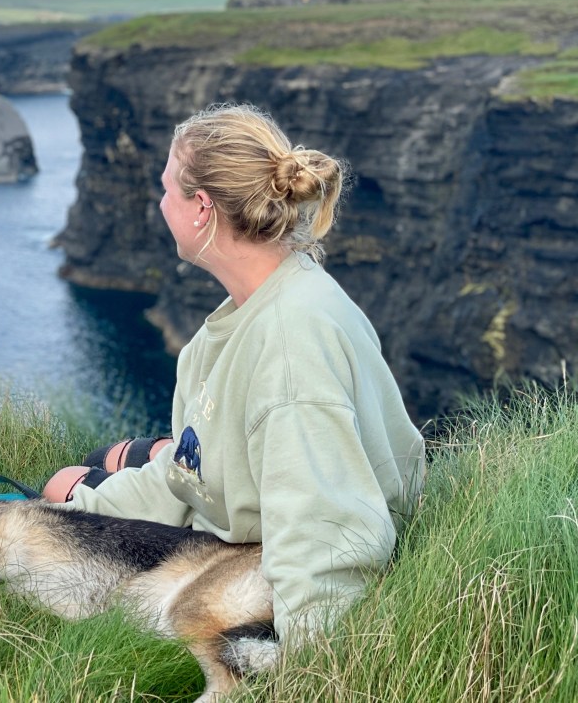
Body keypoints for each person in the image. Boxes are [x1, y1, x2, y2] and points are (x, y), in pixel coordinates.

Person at [49, 103, 426, 645]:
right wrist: (78, 515)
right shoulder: (243, 316)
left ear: (201, 208)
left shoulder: (290, 350)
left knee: (71, 486)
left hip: (262, 554)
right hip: (236, 515)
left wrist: (311, 668)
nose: (159, 204)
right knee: (73, 486)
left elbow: (322, 535)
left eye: (165, 189)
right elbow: (190, 465)